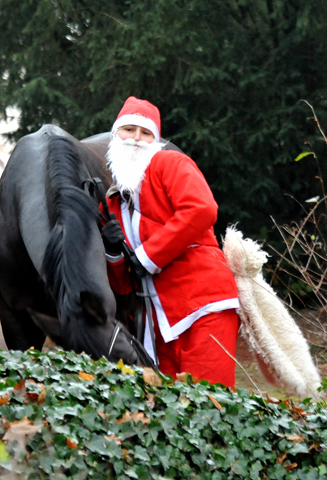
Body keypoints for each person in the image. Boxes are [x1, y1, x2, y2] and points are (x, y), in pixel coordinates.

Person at [101, 96, 240, 387]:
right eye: (128, 130)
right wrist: (113, 252)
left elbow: (202, 209)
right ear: (115, 135)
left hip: (204, 306)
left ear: (155, 141)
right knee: (169, 411)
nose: (136, 139)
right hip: (158, 325)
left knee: (210, 404)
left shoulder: (170, 163)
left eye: (146, 133)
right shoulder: (111, 205)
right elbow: (124, 285)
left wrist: (146, 256)